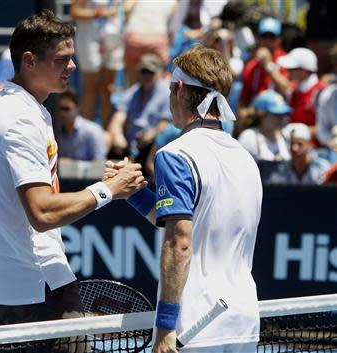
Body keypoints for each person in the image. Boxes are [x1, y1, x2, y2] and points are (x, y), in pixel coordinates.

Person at [0, 10, 146, 341]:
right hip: (36, 284)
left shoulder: (13, 105)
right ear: (29, 61)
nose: (73, 67)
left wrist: (105, 181)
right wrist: (108, 189)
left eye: (72, 58)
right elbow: (42, 212)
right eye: (61, 59)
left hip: (11, 283)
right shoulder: (20, 119)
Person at [106, 45, 262, 352]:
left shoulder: (175, 154)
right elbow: (194, 224)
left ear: (179, 89)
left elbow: (180, 243)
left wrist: (165, 327)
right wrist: (135, 193)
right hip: (243, 322)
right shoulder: (246, 159)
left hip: (193, 328)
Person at [108, 53, 171, 172]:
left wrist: (151, 134)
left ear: (159, 73)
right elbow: (118, 119)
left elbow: (164, 124)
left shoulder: (166, 93)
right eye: (144, 71)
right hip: (131, 146)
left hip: (153, 145)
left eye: (151, 72)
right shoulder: (131, 93)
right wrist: (118, 136)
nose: (147, 76)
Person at [70, 0, 124, 127]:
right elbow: (75, 12)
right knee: (90, 89)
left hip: (113, 39)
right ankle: (86, 132)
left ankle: (107, 132)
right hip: (89, 39)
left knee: (108, 88)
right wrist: (100, 13)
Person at [278, 47, 326, 144]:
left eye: (291, 69)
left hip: (316, 152)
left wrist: (300, 131)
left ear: (304, 71)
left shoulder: (321, 93)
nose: (287, 71)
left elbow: (328, 127)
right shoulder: (293, 89)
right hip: (294, 150)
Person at [54, 88, 109, 161]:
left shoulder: (92, 131)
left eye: (66, 109)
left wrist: (72, 165)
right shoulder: (57, 132)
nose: (62, 113)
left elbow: (99, 163)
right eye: (60, 109)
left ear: (77, 108)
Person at [238, 90, 291, 162]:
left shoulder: (286, 135)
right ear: (262, 115)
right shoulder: (249, 137)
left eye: (283, 114)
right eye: (276, 114)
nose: (281, 119)